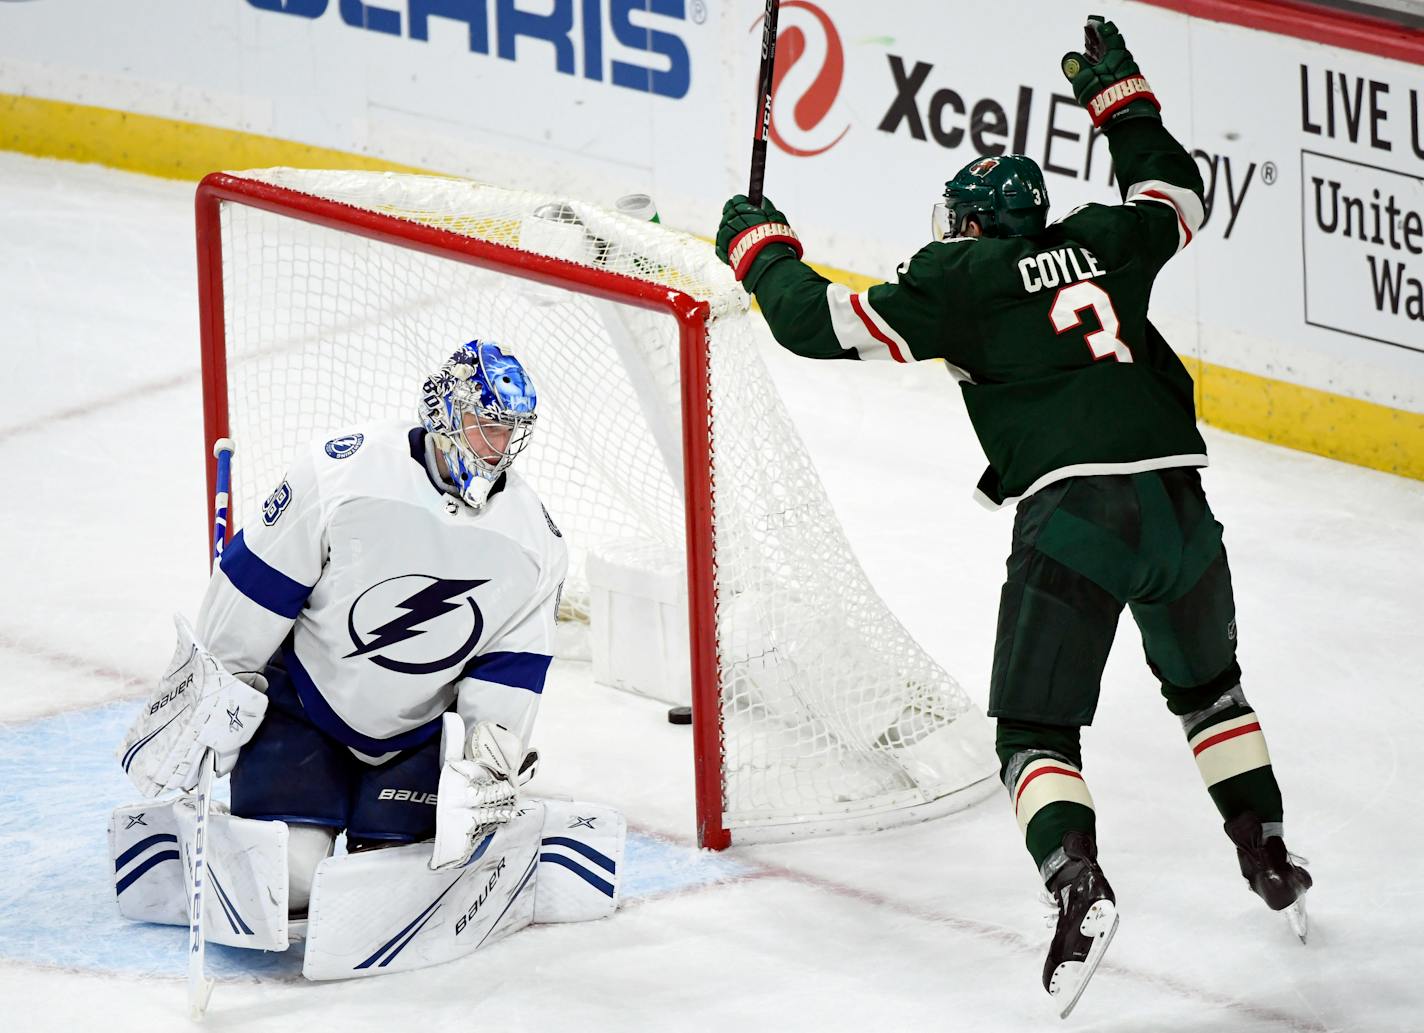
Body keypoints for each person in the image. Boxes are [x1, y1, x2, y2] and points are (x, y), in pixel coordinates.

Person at [715, 15, 1311, 1016]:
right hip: (1180, 507)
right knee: (1209, 692)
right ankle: (1264, 845)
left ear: (971, 226)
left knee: (1033, 732)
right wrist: (1119, 99)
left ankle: (1076, 884)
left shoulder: (958, 281)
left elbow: (814, 324)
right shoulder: (1102, 242)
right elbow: (1175, 196)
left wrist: (758, 247)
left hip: (1076, 516)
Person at [118, 339, 568, 915]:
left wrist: (484, 766)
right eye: (485, 425)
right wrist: (217, 688)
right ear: (446, 413)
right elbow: (256, 588)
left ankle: (382, 830)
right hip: (303, 708)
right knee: (291, 880)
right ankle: (214, 843)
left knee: (390, 884)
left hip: (419, 735)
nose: (498, 447)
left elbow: (511, 667)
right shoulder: (341, 475)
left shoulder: (535, 543)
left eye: (511, 431)